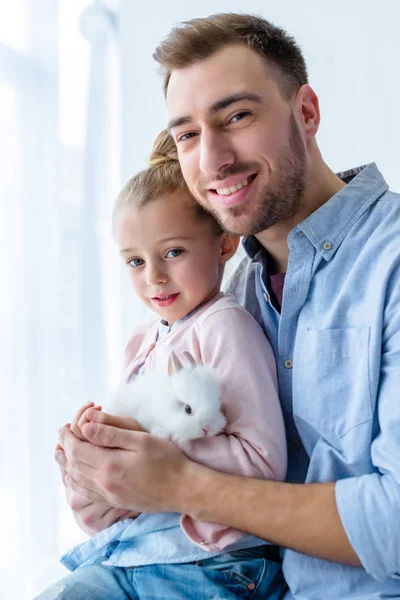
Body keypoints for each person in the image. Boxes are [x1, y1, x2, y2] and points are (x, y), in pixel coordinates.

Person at [55, 13, 400, 600]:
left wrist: (181, 484)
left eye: (237, 116)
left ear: (307, 113)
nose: (212, 160)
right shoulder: (222, 294)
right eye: (187, 133)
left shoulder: (390, 261)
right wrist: (103, 473)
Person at [37, 130, 287, 599]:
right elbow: (131, 488)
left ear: (224, 244)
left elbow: (264, 462)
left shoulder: (225, 327)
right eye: (134, 261)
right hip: (141, 551)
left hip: (215, 563)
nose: (153, 277)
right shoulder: (142, 340)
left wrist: (151, 461)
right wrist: (92, 477)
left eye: (173, 252)